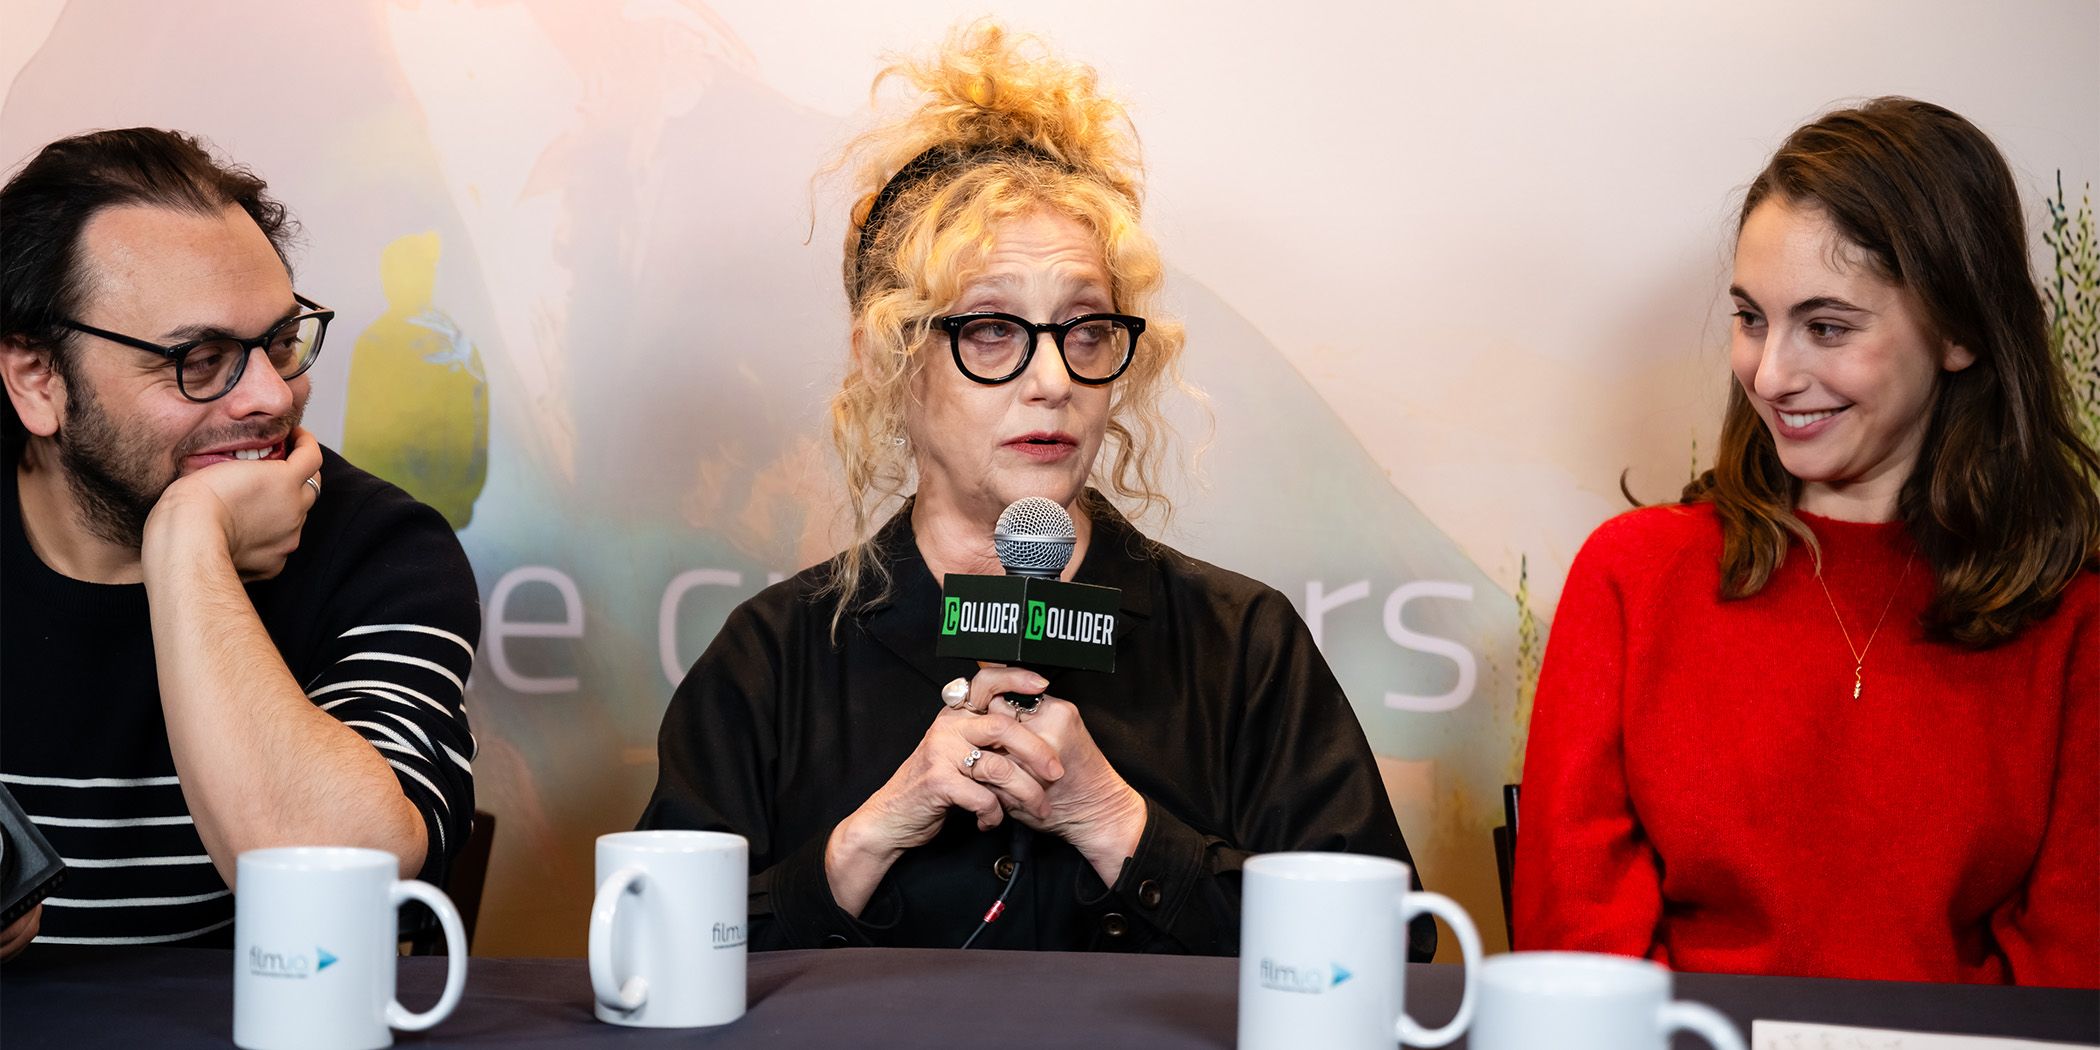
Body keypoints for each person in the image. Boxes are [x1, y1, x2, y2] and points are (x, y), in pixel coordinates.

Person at [640, 25, 1427, 955]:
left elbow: (1387, 955)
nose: (1051, 379)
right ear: (889, 360)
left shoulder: (1241, 645)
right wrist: (867, 839)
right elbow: (651, 961)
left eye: (1086, 330)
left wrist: (1120, 827)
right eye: (991, 330)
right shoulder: (774, 659)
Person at [1514, 99, 2098, 987]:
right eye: (1751, 317)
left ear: (1960, 331)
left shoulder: (2074, 621)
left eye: (1827, 327)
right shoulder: (1634, 575)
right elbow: (1577, 955)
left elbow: (2072, 976)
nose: (1772, 373)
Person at [0, 129, 479, 952]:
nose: (269, 394)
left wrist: (188, 538)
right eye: (200, 359)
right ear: (39, 380)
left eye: (282, 342)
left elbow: (343, 878)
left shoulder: (382, 549)